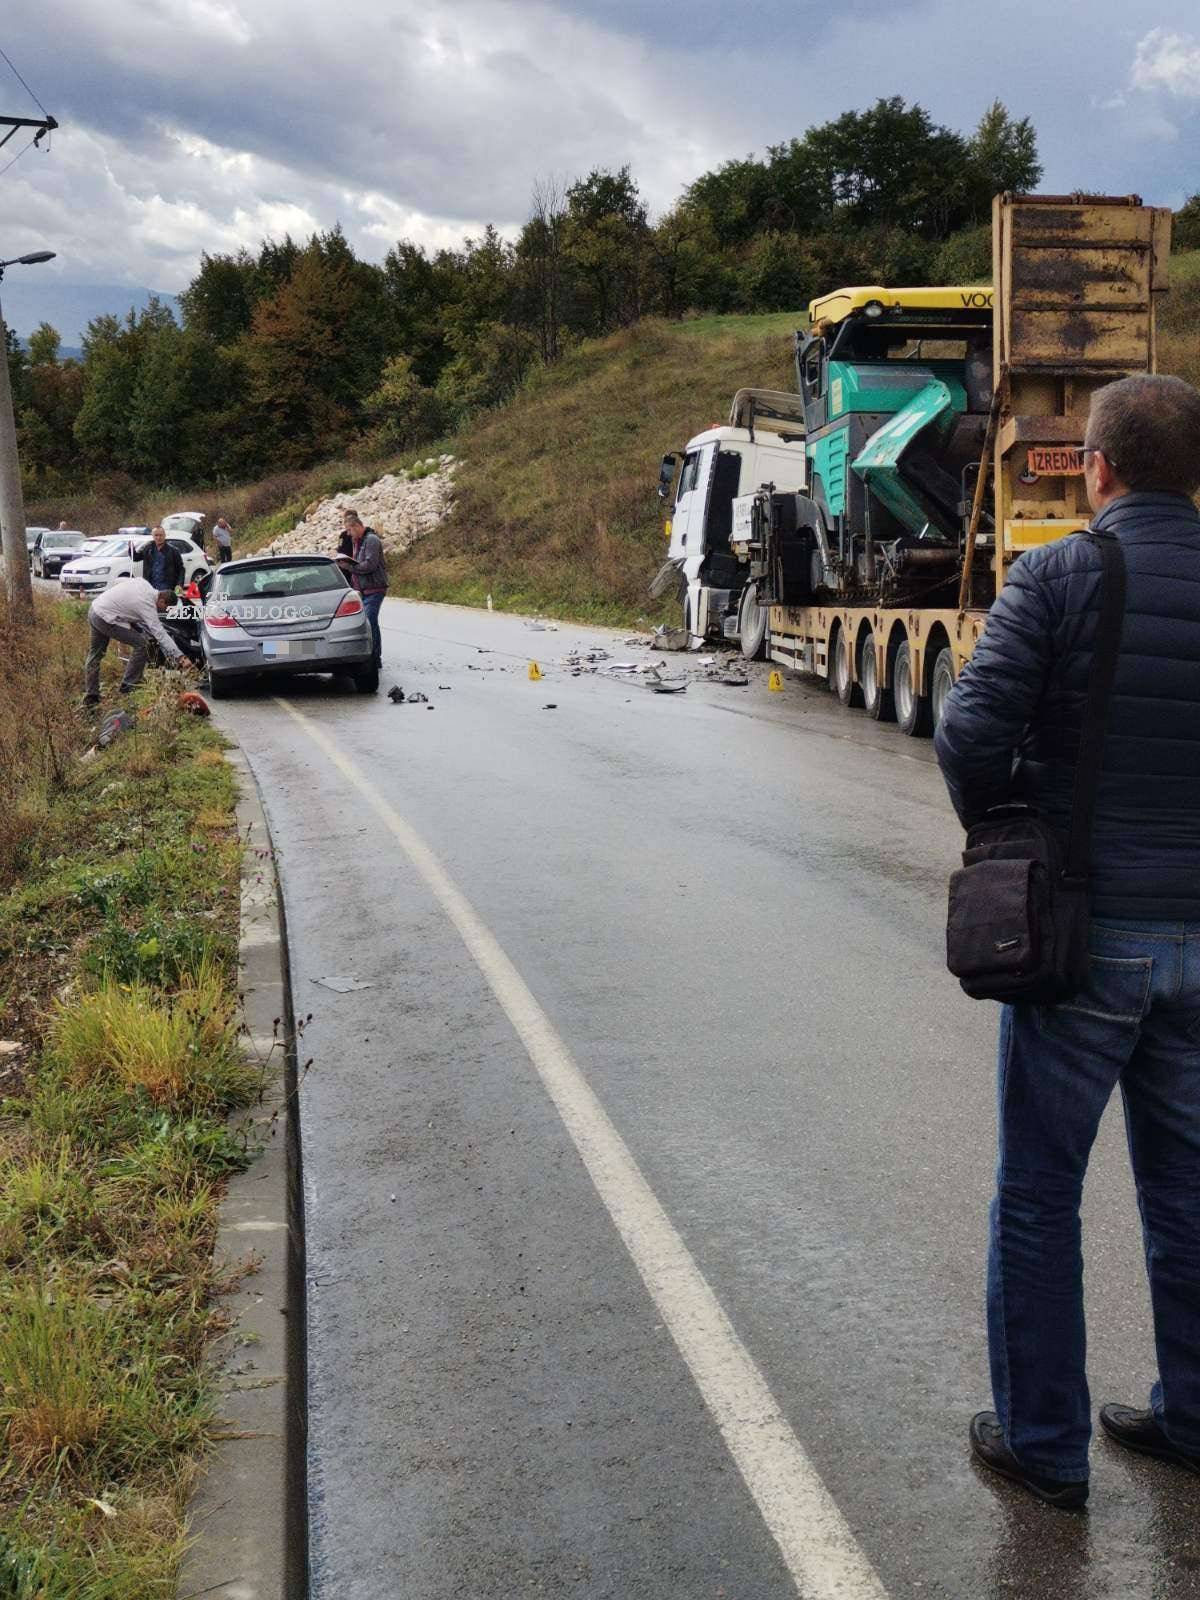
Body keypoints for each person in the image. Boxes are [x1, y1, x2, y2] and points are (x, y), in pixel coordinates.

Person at [934, 373, 1200, 1510]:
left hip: (1088, 941)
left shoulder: (1059, 574)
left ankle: (1044, 1444)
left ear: (1095, 466)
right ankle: (1190, 1415)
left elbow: (968, 734)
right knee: (1188, 1192)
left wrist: (1016, 840)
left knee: (1041, 1191)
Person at [83, 574, 195, 705]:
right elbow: (160, 634)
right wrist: (180, 657)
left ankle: (91, 697)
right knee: (143, 644)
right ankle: (128, 685)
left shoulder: (143, 583)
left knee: (95, 655)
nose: (162, 611)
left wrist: (128, 619)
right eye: (164, 608)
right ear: (162, 601)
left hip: (95, 608)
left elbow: (119, 583)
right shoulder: (148, 605)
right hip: (105, 618)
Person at [336, 509, 387, 668]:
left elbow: (370, 565)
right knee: (369, 623)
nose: (349, 534)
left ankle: (375, 657)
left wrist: (350, 568)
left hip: (374, 588)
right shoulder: (357, 541)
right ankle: (373, 655)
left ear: (357, 526)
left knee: (370, 622)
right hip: (363, 590)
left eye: (350, 530)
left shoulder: (371, 540)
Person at [139, 525, 184, 593]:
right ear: (153, 536)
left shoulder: (173, 551)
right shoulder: (148, 549)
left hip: (167, 589)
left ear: (165, 535)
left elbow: (181, 569)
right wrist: (131, 550)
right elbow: (136, 557)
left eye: (161, 535)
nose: (158, 537)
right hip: (150, 588)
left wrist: (179, 585)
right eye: (156, 535)